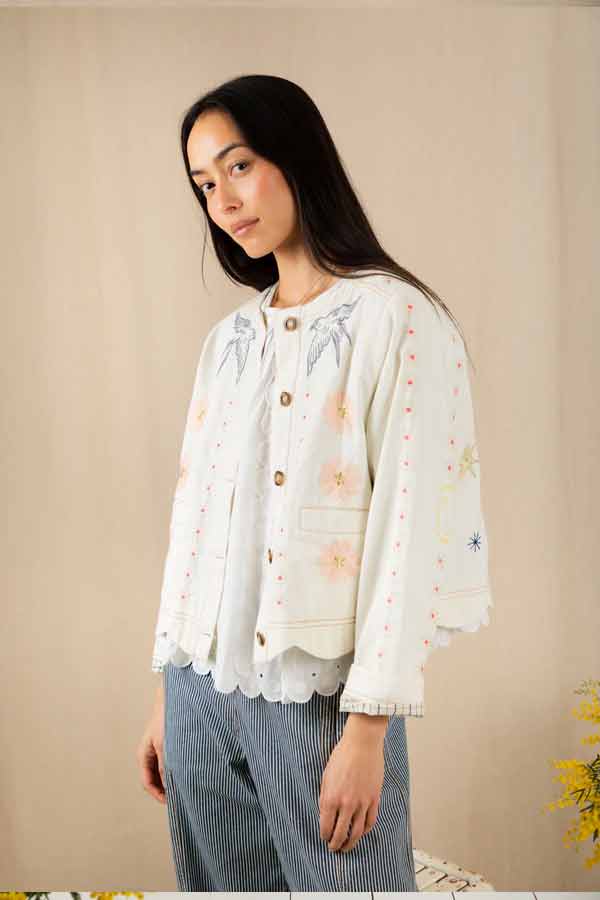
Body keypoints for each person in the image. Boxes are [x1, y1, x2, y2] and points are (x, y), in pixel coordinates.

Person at [136, 74, 493, 891]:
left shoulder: (397, 319)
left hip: (320, 698)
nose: (224, 200)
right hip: (199, 693)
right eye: (204, 183)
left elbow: (408, 530)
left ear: (297, 157)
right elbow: (195, 524)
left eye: (239, 165)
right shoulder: (228, 341)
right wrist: (166, 693)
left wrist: (367, 731)